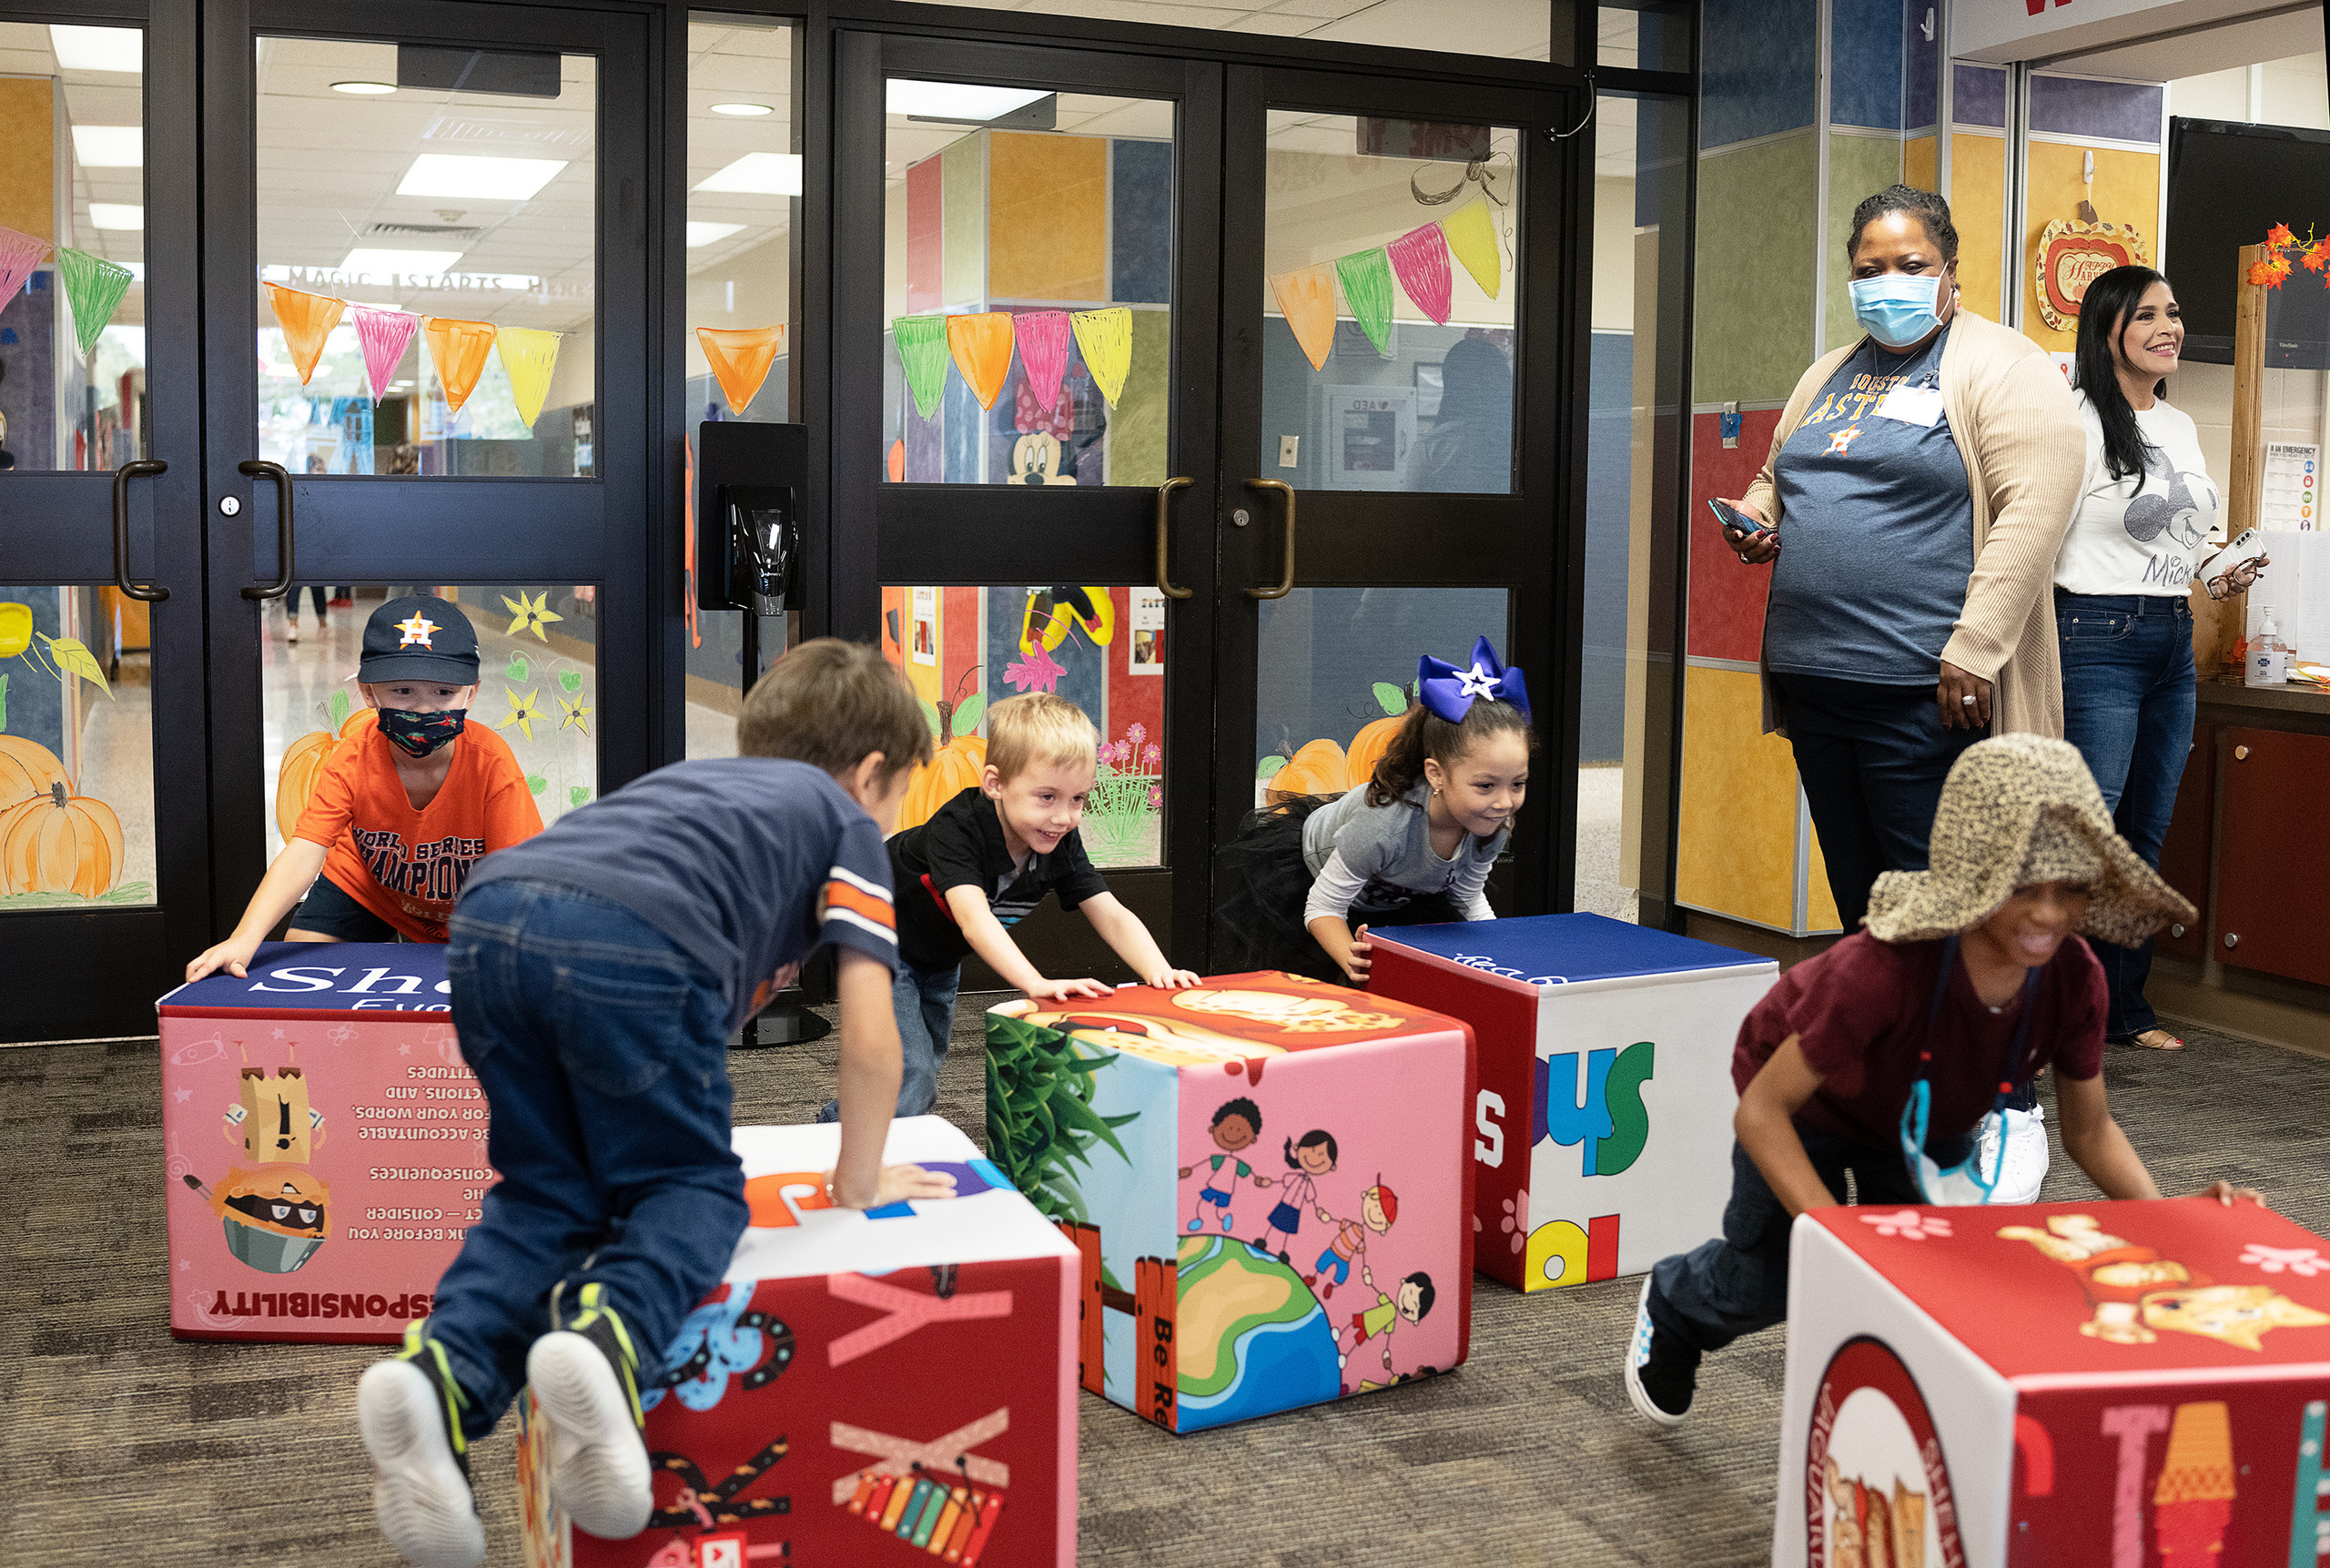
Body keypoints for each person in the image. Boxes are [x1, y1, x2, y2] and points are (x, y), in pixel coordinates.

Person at [355, 639, 959, 1568]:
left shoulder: (701, 788)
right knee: (690, 1188)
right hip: (632, 940)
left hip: (488, 922)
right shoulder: (847, 824)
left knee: (545, 1195)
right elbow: (874, 1043)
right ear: (871, 774)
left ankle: (436, 1382)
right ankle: (607, 1341)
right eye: (897, 794)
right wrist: (857, 1182)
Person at [1623, 733, 2263, 1429]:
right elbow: (1761, 1112)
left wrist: (2166, 1220)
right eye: (2025, 888)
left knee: (1940, 1271)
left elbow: (2090, 1130)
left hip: (1926, 1121)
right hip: (1807, 1111)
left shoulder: (2076, 980)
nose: (2048, 914)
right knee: (1777, 1277)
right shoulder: (1885, 968)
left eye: (2070, 889)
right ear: (1977, 875)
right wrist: (1837, 1233)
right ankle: (1675, 1299)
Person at [1717, 185, 2085, 935]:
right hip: (1819, 682)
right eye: (1868, 267)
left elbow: (2034, 512)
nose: (1888, 282)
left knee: (1939, 905)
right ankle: (1889, 1048)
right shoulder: (1828, 373)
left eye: (1910, 264)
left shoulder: (2003, 365)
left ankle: (1954, 1052)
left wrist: (1976, 647)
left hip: (1926, 690)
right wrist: (1755, 518)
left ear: (1952, 270)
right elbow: (1777, 474)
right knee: (1862, 903)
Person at [2055, 265, 2266, 1051]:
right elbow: (2039, 534)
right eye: (2148, 316)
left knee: (2145, 830)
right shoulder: (2071, 418)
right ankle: (2058, 1012)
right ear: (2108, 328)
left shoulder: (2177, 426)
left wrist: (2220, 567)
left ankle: (2123, 1007)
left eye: (2173, 313)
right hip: (2093, 634)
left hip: (2170, 636)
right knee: (2091, 833)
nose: (2169, 327)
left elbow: (2183, 536)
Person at [841, 691, 1200, 1120]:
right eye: (1046, 797)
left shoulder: (1059, 840)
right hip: (878, 941)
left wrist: (1157, 971)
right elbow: (974, 920)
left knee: (925, 1066)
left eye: (1078, 799)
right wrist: (1034, 981)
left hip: (938, 957)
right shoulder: (957, 829)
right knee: (908, 1069)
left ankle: (850, 1126)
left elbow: (1110, 911)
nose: (1064, 817)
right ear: (996, 784)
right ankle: (852, 1146)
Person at [185, 596, 542, 979]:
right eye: (403, 692)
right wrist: (244, 937)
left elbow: (519, 877)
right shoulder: (353, 757)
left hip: (465, 905)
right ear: (369, 692)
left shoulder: (492, 764)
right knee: (297, 977)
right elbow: (306, 850)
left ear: (471, 693)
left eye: (443, 693)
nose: (423, 709)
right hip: (364, 887)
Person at [1216, 635, 1534, 985]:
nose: (1505, 802)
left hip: (1397, 893)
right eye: (1486, 786)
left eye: (1517, 784)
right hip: (1314, 882)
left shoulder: (1492, 822)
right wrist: (1349, 959)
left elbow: (1467, 897)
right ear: (1436, 774)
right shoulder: (1384, 824)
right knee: (1326, 988)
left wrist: (1498, 954)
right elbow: (1322, 908)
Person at [1413, 333, 1514, 493]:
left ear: (1452, 386)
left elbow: (1409, 511)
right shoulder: (1518, 443)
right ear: (1503, 382)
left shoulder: (1432, 448)